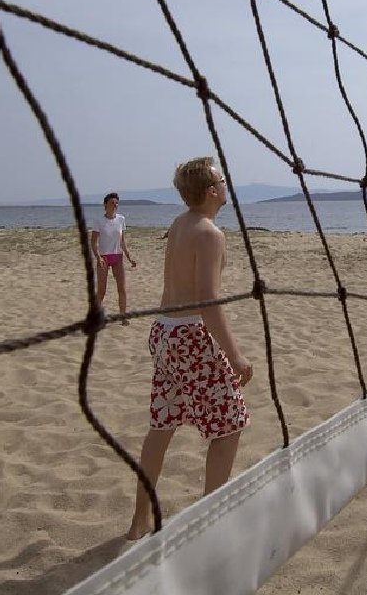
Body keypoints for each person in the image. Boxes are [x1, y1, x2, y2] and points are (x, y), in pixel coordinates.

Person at [126, 158, 253, 540]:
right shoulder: (210, 232)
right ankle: (208, 523)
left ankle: (138, 524)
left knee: (162, 427)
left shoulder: (180, 223)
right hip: (188, 336)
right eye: (222, 179)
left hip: (162, 333)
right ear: (213, 189)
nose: (226, 183)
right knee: (230, 426)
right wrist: (235, 354)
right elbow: (208, 299)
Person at [90, 192, 137, 324]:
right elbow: (93, 242)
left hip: (118, 257)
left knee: (122, 289)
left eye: (116, 203)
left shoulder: (121, 219)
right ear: (105, 205)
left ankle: (123, 317)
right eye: (112, 203)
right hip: (103, 258)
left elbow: (123, 241)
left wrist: (129, 258)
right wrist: (98, 257)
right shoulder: (99, 221)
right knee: (101, 291)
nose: (115, 205)